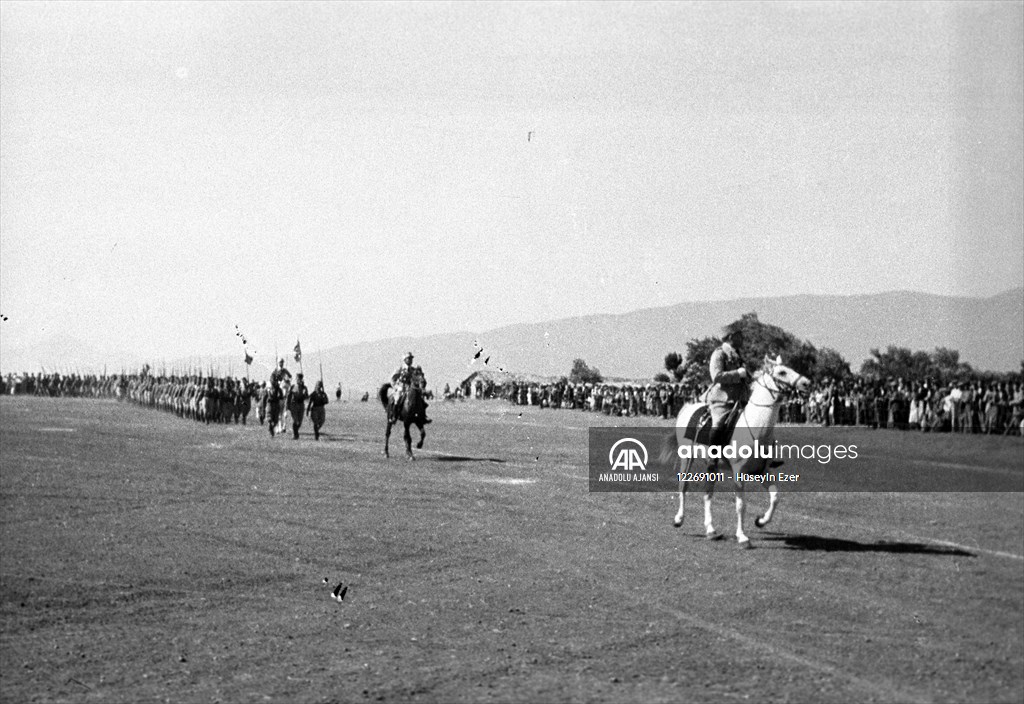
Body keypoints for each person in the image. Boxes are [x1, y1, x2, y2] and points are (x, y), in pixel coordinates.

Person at [702, 328, 749, 448]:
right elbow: (716, 376)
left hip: (741, 400)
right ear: (730, 337)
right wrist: (737, 374)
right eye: (739, 336)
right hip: (723, 400)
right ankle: (713, 455)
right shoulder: (719, 353)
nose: (742, 338)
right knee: (718, 425)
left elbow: (746, 376)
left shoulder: (738, 355)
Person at [390, 352, 431, 424]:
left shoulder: (413, 370)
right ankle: (394, 416)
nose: (410, 360)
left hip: (410, 387)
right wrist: (395, 386)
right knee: (397, 399)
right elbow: (393, 379)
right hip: (401, 387)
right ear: (405, 360)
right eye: (409, 358)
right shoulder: (400, 369)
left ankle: (423, 416)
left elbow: (417, 379)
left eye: (411, 359)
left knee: (420, 399)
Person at [287, 373, 309, 439]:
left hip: (301, 405)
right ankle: (295, 434)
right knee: (295, 420)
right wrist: (288, 405)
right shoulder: (293, 387)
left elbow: (306, 397)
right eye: (297, 378)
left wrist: (305, 393)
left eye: (299, 379)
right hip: (294, 404)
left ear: (301, 379)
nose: (298, 380)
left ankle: (296, 432)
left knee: (299, 422)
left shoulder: (304, 387)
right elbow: (289, 396)